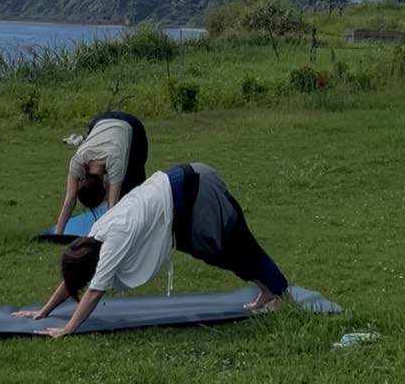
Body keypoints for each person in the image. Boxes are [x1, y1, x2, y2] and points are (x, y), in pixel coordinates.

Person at [17, 163, 288, 336]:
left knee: (234, 245)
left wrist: (67, 328)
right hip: (176, 201)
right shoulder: (93, 237)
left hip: (193, 188)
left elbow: (94, 292)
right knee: (216, 252)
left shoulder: (112, 242)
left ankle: (280, 293)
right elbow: (75, 277)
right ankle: (266, 291)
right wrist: (44, 311)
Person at [52, 110, 148, 235]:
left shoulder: (114, 162)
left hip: (132, 126)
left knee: (133, 187)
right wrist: (58, 234)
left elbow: (112, 204)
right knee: (121, 185)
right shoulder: (78, 160)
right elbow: (70, 199)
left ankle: (141, 226)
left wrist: (107, 235)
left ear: (104, 186)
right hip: (100, 121)